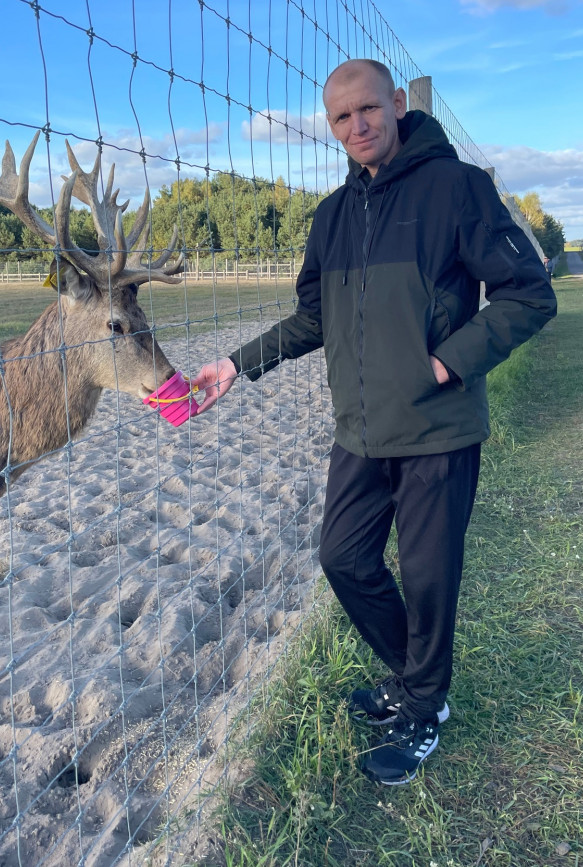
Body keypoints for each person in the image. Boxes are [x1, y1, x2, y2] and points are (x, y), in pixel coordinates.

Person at [192, 59, 557, 786]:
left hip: (438, 431)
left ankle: (425, 705)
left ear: (396, 104)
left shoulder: (458, 188)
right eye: (340, 117)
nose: (356, 126)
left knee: (427, 578)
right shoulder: (331, 216)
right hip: (358, 428)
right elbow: (311, 319)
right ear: (329, 126)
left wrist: (449, 362)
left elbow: (529, 294)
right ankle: (416, 678)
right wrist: (237, 363)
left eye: (367, 109)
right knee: (344, 559)